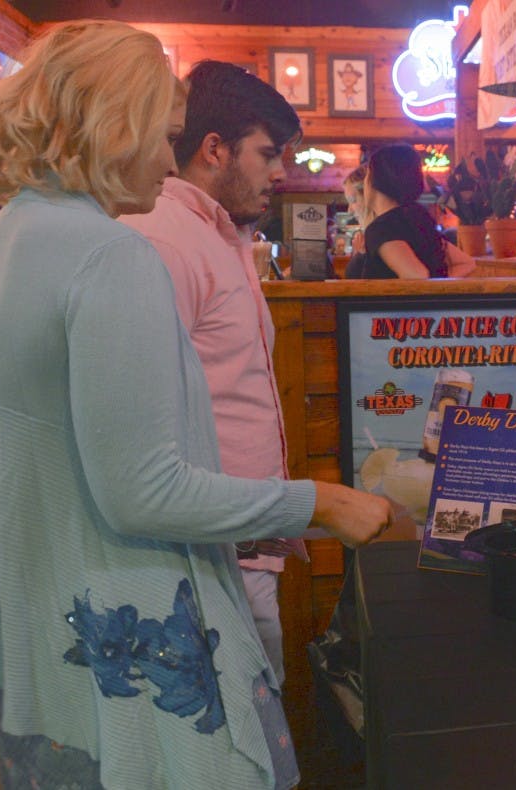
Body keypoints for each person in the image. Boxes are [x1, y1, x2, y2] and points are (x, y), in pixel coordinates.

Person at [0, 22, 392, 789]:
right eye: (161, 137)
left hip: (43, 622)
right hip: (127, 629)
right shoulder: (110, 255)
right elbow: (144, 489)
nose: (168, 159)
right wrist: (319, 503)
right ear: (112, 128)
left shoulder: (12, 235)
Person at [121, 60, 319, 691]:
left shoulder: (219, 236)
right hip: (204, 552)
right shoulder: (166, 242)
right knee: (241, 731)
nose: (281, 172)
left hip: (237, 537)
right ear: (213, 149)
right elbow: (142, 419)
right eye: (268, 154)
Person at [356, 143, 449, 279]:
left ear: (373, 180)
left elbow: (418, 276)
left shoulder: (382, 228)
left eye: (367, 174)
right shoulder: (419, 219)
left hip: (404, 301)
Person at [341, 165, 370, 279]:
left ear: (369, 196)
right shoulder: (367, 237)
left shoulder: (383, 235)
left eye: (353, 201)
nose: (349, 210)